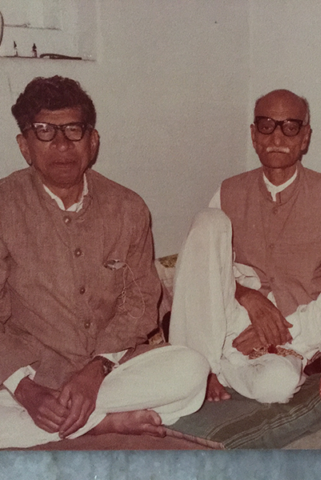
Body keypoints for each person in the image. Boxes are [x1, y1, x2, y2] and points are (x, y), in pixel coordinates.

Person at [0, 76, 209, 449]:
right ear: (24, 146)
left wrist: (94, 371)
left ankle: (74, 418)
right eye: (45, 131)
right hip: (26, 372)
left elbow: (142, 303)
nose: (62, 145)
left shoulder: (128, 208)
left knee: (191, 369)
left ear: (93, 141)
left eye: (74, 131)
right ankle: (100, 424)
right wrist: (26, 391)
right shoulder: (4, 206)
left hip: (108, 370)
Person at [170, 89, 321, 404]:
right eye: (266, 125)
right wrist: (246, 296)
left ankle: (214, 368)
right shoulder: (227, 190)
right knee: (207, 221)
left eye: (290, 127)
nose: (277, 136)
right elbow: (204, 269)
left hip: (293, 329)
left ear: (305, 137)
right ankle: (203, 363)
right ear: (253, 136)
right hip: (230, 314)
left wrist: (276, 332)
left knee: (277, 385)